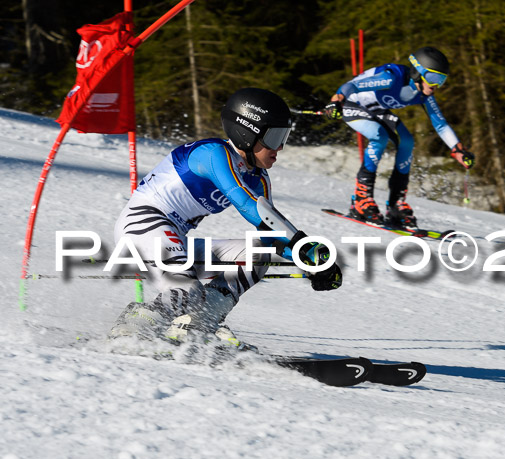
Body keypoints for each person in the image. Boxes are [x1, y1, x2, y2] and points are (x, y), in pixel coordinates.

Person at [109, 87, 342, 348]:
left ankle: (199, 324)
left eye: (283, 137)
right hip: (142, 225)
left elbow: (270, 234)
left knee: (257, 253)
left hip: (174, 238)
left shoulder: (258, 177)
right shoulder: (213, 154)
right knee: (188, 292)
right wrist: (303, 246)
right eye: (274, 137)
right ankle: (134, 327)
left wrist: (308, 263)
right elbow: (246, 204)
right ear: (246, 132)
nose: (280, 148)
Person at [325, 46, 475, 228]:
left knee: (407, 141)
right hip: (352, 103)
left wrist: (457, 149)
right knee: (378, 137)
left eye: (441, 80)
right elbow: (352, 86)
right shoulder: (391, 77)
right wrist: (336, 99)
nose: (436, 85)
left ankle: (396, 204)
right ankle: (361, 199)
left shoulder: (423, 95)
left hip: (376, 110)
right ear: (418, 72)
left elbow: (440, 124)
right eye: (433, 78)